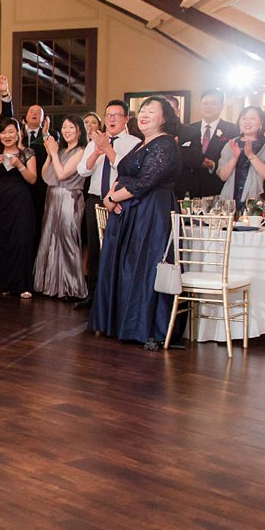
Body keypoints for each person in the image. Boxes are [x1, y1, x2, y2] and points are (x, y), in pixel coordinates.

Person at [89, 97, 182, 350]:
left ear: (164, 118)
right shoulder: (142, 144)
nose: (144, 114)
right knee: (125, 266)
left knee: (143, 266)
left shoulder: (165, 144)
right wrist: (111, 196)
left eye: (152, 111)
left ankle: (142, 326)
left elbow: (146, 181)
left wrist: (111, 197)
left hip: (152, 212)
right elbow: (125, 173)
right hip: (130, 211)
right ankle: (120, 322)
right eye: (142, 110)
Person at [75, 100, 140, 311]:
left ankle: (117, 299)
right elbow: (83, 171)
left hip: (120, 202)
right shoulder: (95, 142)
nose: (111, 119)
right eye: (108, 115)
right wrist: (97, 151)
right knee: (94, 250)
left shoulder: (134, 143)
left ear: (126, 119)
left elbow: (128, 172)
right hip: (95, 200)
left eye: (117, 115)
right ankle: (93, 296)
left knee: (118, 249)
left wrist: (108, 149)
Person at [0, 120, 39, 299]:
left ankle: (22, 285)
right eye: (3, 132)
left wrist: (19, 165)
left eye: (11, 132)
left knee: (21, 241)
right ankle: (1, 283)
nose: (7, 136)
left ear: (19, 133)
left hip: (20, 203)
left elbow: (32, 179)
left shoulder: (27, 153)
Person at [34, 114, 88, 300]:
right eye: (64, 127)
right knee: (50, 239)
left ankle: (72, 287)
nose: (66, 131)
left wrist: (54, 153)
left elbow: (63, 174)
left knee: (68, 240)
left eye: (71, 127)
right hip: (53, 197)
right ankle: (52, 285)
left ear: (79, 130)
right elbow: (46, 175)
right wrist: (50, 155)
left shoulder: (81, 151)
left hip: (69, 198)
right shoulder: (62, 151)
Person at [178, 88, 237, 198]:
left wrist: (213, 164)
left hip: (218, 188)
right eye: (205, 103)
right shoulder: (188, 129)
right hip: (190, 187)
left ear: (221, 106)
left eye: (213, 103)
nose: (208, 107)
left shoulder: (232, 130)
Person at [216, 105, 265, 204]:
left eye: (252, 118)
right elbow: (223, 176)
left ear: (261, 122)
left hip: (260, 199)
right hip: (231, 197)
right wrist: (234, 157)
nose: (247, 122)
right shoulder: (231, 144)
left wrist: (251, 155)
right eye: (244, 118)